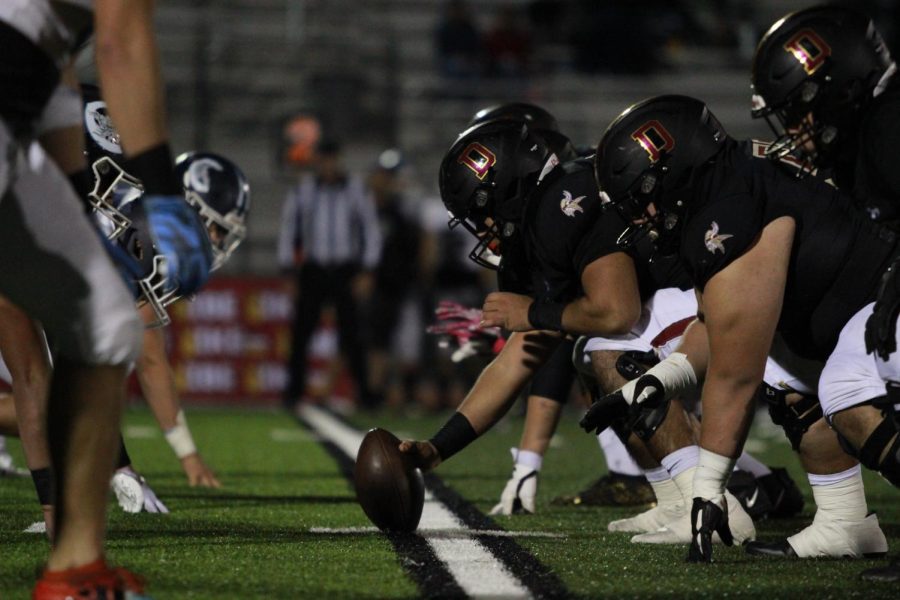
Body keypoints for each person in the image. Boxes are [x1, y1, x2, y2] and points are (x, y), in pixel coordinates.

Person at [396, 114, 764, 548]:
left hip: (719, 288)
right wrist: (440, 448)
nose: (484, 230)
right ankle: (674, 500)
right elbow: (515, 361)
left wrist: (534, 312)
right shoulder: (533, 237)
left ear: (510, 189)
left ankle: (714, 502)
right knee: (588, 354)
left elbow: (617, 312)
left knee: (607, 348)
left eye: (483, 213)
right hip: (688, 298)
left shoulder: (560, 203)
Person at [592, 94, 895, 563]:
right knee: (791, 384)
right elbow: (713, 323)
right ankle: (845, 521)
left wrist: (708, 487)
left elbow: (735, 373)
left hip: (884, 314)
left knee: (841, 387)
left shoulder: (730, 204)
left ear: (668, 172)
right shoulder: (726, 183)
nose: (640, 219)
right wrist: (658, 381)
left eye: (642, 201)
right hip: (863, 313)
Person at [0, 2, 213, 596]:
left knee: (103, 320)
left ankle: (74, 563)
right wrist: (166, 193)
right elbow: (120, 45)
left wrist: (74, 204)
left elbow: (61, 83)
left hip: (19, 116)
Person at [751, 4, 900, 579]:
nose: (796, 130)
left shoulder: (890, 124)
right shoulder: (880, 121)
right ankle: (844, 521)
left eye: (799, 112)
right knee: (832, 376)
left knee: (865, 373)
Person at [278, 139, 383, 411]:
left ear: (338, 160)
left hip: (345, 269)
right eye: (322, 160)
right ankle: (294, 391)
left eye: (331, 159)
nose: (327, 165)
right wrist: (289, 271)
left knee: (353, 334)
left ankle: (364, 391)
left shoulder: (355, 190)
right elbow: (290, 230)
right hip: (314, 269)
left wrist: (368, 270)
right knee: (302, 332)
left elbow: (370, 230)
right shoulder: (304, 190)